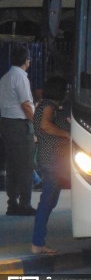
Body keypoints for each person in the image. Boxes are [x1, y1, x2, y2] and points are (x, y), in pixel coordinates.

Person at [31, 76, 70, 254]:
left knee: (49, 201)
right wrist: (66, 134)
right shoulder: (48, 107)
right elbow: (46, 126)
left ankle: (39, 241)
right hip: (51, 160)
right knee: (47, 201)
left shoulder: (45, 106)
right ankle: (38, 242)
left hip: (51, 159)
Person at [0, 44, 37, 216]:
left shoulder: (5, 77)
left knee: (12, 165)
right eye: (28, 58)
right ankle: (25, 204)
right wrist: (35, 124)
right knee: (26, 166)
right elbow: (26, 105)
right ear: (25, 60)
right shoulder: (21, 77)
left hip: (6, 124)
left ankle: (12, 203)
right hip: (20, 125)